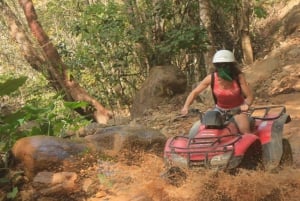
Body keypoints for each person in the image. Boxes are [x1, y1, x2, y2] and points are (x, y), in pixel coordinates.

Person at [181, 49, 254, 136]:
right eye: (219, 65)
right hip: (219, 110)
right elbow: (195, 92)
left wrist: (246, 105)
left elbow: (249, 97)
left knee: (245, 131)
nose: (222, 68)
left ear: (231, 66)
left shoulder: (238, 77)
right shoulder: (211, 78)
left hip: (237, 110)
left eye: (225, 65)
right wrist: (186, 106)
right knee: (196, 130)